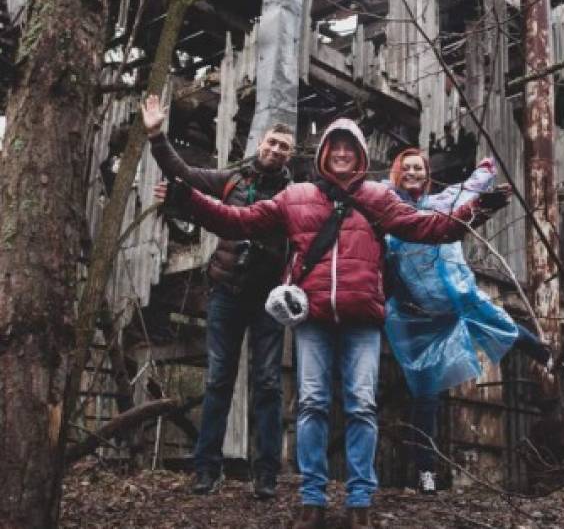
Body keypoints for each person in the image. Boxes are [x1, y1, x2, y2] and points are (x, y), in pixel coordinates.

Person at [163, 118, 510, 529]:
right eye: (335, 146)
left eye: (350, 147)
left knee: (362, 405)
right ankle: (313, 499)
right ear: (325, 152)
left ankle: (360, 499)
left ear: (360, 155)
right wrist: (189, 199)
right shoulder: (297, 197)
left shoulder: (378, 197)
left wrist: (479, 208)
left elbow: (430, 227)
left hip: (362, 318)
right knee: (311, 404)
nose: (342, 153)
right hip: (313, 319)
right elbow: (238, 221)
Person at [141, 95, 294, 498]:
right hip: (225, 292)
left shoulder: (294, 196)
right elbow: (184, 173)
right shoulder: (233, 181)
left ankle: (266, 475)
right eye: (272, 143)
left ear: (290, 155)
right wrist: (157, 135)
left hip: (268, 300)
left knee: (267, 383)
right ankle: (206, 470)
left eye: (284, 147)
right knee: (218, 380)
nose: (276, 150)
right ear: (261, 144)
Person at [384, 148, 552, 494]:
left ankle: (547, 356)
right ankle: (425, 473)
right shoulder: (388, 211)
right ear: (397, 173)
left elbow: (471, 186)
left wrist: (489, 165)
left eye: (419, 168)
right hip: (419, 317)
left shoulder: (443, 201)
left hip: (460, 295)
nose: (413, 173)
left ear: (427, 174)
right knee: (425, 396)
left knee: (503, 325)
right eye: (407, 168)